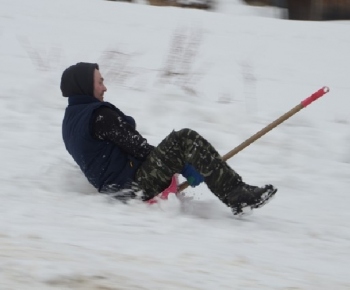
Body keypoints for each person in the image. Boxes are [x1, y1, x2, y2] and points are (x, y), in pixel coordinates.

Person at [60, 62, 277, 215]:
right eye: (100, 82)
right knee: (184, 139)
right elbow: (139, 148)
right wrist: (184, 165)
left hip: (117, 190)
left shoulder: (70, 122)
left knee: (179, 147)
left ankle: (233, 191)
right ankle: (236, 195)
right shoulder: (99, 116)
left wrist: (179, 163)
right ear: (85, 85)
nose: (105, 87)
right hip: (133, 187)